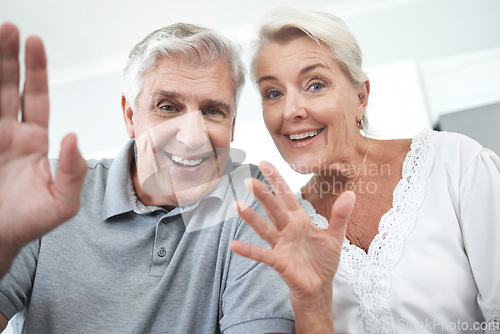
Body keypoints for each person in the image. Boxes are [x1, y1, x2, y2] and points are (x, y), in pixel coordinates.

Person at [0, 21, 355, 333]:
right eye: (168, 107)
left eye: (213, 111)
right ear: (129, 115)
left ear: (232, 126)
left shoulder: (252, 198)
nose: (191, 136)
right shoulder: (50, 185)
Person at [229, 7, 500, 334]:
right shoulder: (288, 231)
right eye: (273, 92)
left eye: (315, 85)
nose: (290, 111)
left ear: (360, 96)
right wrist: (311, 302)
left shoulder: (455, 163)